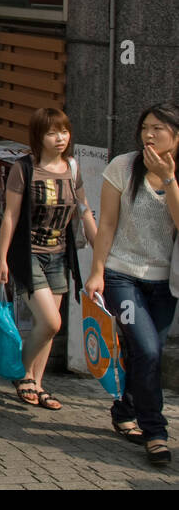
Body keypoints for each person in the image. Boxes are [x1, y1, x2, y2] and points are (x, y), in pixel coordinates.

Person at [85, 103, 179, 463]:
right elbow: (106, 225)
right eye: (145, 128)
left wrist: (169, 179)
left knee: (144, 355)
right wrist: (97, 272)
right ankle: (155, 431)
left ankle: (125, 410)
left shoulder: (175, 174)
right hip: (122, 275)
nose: (149, 135)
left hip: (166, 282)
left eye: (158, 128)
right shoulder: (123, 166)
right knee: (149, 351)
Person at [0, 107, 98, 411]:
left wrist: (99, 246)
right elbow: (10, 216)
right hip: (28, 257)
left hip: (59, 257)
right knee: (51, 322)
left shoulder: (73, 169)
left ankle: (37, 384)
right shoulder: (24, 168)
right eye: (52, 132)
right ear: (38, 136)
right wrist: (1, 259)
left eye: (64, 131)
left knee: (49, 325)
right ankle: (22, 373)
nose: (60, 138)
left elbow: (84, 210)